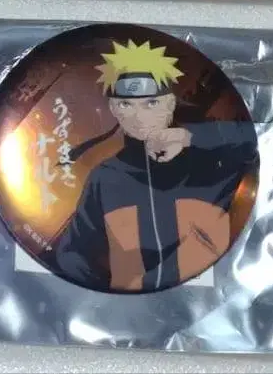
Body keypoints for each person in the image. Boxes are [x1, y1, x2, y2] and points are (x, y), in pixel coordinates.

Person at [51, 39, 257, 292]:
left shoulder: (208, 159)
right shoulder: (105, 178)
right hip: (133, 312)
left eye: (151, 103)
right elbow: (71, 252)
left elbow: (255, 140)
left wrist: (190, 137)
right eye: (126, 104)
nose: (138, 116)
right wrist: (104, 295)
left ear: (170, 103)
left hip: (213, 302)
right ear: (114, 109)